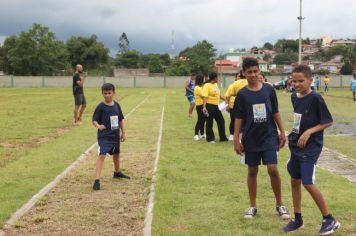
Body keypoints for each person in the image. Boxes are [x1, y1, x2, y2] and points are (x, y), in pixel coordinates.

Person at [283, 65, 340, 235]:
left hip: (311, 146)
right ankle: (298, 219)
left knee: (307, 182)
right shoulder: (294, 96)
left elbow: (327, 121)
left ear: (310, 80)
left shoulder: (316, 98)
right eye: (294, 81)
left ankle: (330, 219)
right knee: (294, 180)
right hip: (296, 145)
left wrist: (309, 132)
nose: (297, 84)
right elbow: (299, 119)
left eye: (301, 81)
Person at [233, 57, 290, 220]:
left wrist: (282, 131)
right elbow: (238, 117)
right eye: (249, 72)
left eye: (255, 71)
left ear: (260, 72)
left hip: (269, 136)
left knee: (272, 169)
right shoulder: (242, 94)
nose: (252, 75)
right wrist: (236, 139)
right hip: (251, 138)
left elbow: (276, 111)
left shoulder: (268, 90)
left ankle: (280, 204)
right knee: (252, 170)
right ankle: (252, 206)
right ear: (243, 73)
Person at [92, 83, 130, 191]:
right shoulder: (101, 107)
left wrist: (123, 132)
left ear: (113, 93)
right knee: (102, 155)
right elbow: (94, 120)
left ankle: (117, 173)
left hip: (115, 136)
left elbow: (120, 119)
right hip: (104, 136)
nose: (107, 95)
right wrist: (98, 126)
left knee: (117, 154)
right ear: (102, 94)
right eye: (105, 93)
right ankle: (97, 180)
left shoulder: (117, 105)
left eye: (109, 93)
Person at [202, 72, 228, 143]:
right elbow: (205, 96)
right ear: (214, 78)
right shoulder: (207, 85)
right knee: (209, 122)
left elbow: (218, 95)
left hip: (216, 106)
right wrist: (204, 107)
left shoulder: (215, 85)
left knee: (221, 121)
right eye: (217, 77)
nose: (218, 78)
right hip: (209, 105)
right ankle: (210, 138)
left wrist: (225, 99)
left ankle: (223, 138)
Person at [225, 71, 247, 141]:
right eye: (237, 76)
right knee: (234, 120)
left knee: (237, 121)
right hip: (233, 105)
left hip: (237, 105)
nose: (239, 77)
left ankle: (238, 135)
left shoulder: (235, 84)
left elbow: (228, 96)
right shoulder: (233, 85)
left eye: (239, 76)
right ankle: (232, 134)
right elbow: (228, 96)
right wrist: (227, 105)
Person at [193, 74, 206, 140]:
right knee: (200, 120)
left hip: (203, 105)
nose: (204, 79)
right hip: (200, 105)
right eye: (203, 78)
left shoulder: (201, 87)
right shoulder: (197, 88)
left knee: (203, 120)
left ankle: (202, 133)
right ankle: (195, 134)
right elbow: (204, 96)